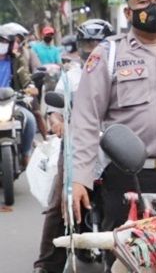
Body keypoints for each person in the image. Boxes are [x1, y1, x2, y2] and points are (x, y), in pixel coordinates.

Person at [68, 0, 156, 268]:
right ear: (127, 13)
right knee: (128, 260)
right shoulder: (108, 54)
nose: (153, 9)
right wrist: (80, 178)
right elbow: (85, 118)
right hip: (128, 179)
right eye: (143, 3)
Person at [33, 19, 113, 273]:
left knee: (127, 198)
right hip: (76, 144)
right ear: (79, 46)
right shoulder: (70, 76)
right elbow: (55, 111)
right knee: (59, 202)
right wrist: (57, 123)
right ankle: (47, 264)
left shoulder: (118, 73)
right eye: (87, 43)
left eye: (98, 43)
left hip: (113, 146)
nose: (92, 48)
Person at [0, 26, 38, 168]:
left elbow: (25, 78)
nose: (1, 44)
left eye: (3, 41)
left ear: (9, 44)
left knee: (30, 120)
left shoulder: (16, 60)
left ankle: (26, 154)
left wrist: (29, 88)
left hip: (12, 103)